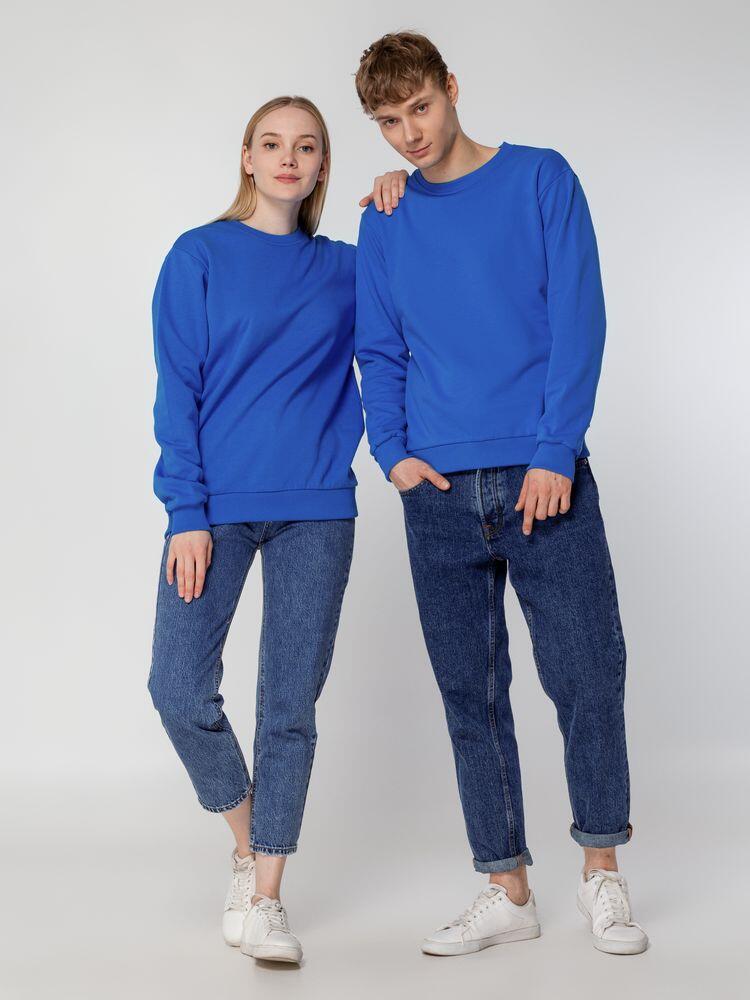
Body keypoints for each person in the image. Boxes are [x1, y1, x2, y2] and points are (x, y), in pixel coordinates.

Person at [353, 32, 648, 956]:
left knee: (587, 673)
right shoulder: (386, 217)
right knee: (469, 695)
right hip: (437, 490)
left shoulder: (540, 179)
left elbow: (579, 317)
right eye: (388, 121)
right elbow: (379, 347)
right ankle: (506, 887)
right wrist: (392, 453)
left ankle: (602, 871)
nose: (408, 134)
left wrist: (556, 450)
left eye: (420, 109)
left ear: (451, 88)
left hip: (540, 476)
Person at [148, 95, 404, 964]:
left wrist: (405, 193)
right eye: (272, 143)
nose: (289, 157)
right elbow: (176, 390)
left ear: (323, 165)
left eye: (307, 146)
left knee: (288, 708)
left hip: (317, 510)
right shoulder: (198, 255)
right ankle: (246, 840)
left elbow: (403, 328)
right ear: (248, 158)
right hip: (213, 509)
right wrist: (186, 512)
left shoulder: (348, 267)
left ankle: (266, 897)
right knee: (177, 687)